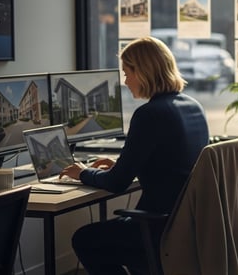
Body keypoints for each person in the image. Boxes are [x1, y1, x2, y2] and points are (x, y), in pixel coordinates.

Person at [60, 36, 210, 274]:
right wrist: (125, 164)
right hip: (185, 224)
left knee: (85, 239)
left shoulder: (149, 114)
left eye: (127, 73)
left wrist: (83, 173)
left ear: (142, 71)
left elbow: (117, 183)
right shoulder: (193, 106)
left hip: (157, 228)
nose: (126, 81)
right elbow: (173, 163)